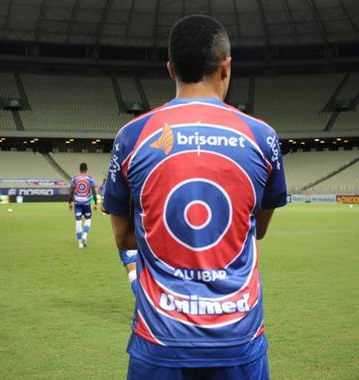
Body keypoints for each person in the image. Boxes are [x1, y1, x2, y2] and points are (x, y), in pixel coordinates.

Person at [103, 15, 287, 380]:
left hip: (160, 341)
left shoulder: (132, 136)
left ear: (170, 69)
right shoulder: (263, 136)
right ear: (226, 67)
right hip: (239, 338)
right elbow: (257, 229)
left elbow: (124, 238)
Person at [69, 163, 98, 248]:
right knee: (88, 219)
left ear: (79, 169)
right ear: (86, 169)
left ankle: (80, 243)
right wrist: (95, 203)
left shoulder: (74, 178)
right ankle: (85, 235)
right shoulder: (90, 178)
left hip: (77, 203)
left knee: (78, 221)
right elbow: (94, 191)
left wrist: (69, 202)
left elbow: (71, 191)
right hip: (86, 203)